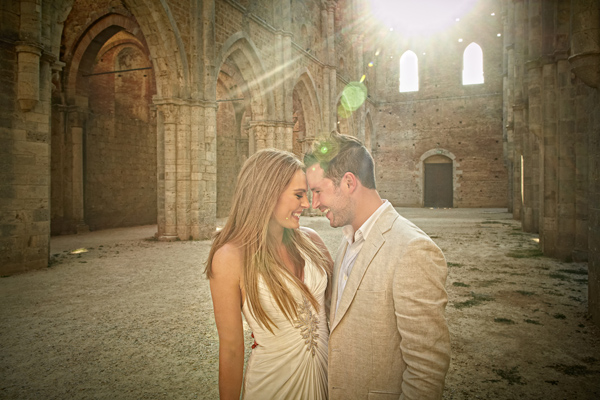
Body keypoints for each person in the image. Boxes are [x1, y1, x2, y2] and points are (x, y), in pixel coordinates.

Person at [304, 132, 451, 400]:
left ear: (348, 182)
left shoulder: (413, 249)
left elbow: (426, 368)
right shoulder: (348, 238)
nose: (313, 204)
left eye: (318, 191)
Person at [205, 149, 333, 400]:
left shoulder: (312, 241)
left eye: (306, 195)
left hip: (327, 379)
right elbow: (231, 349)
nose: (307, 204)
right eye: (298, 195)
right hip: (273, 385)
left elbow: (339, 310)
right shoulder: (230, 258)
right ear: (266, 194)